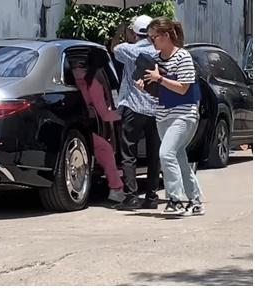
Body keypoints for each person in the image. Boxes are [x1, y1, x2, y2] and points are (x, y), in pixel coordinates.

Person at [136, 16, 204, 216]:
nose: (151, 41)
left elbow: (183, 88)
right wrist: (145, 86)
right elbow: (158, 91)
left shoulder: (183, 57)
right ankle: (195, 201)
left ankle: (175, 200)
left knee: (166, 154)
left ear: (166, 35)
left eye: (154, 37)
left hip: (184, 114)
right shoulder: (155, 60)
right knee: (179, 158)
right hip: (163, 114)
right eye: (149, 38)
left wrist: (160, 78)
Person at [110, 15, 162, 210]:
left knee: (129, 153)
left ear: (134, 33)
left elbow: (114, 48)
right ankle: (152, 197)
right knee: (154, 154)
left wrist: (120, 32)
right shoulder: (159, 51)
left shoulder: (128, 50)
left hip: (133, 107)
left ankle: (131, 197)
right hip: (156, 109)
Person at [72, 47, 125, 203]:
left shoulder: (72, 77)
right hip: (82, 128)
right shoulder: (93, 82)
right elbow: (104, 114)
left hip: (72, 125)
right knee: (106, 149)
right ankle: (116, 189)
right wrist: (123, 115)